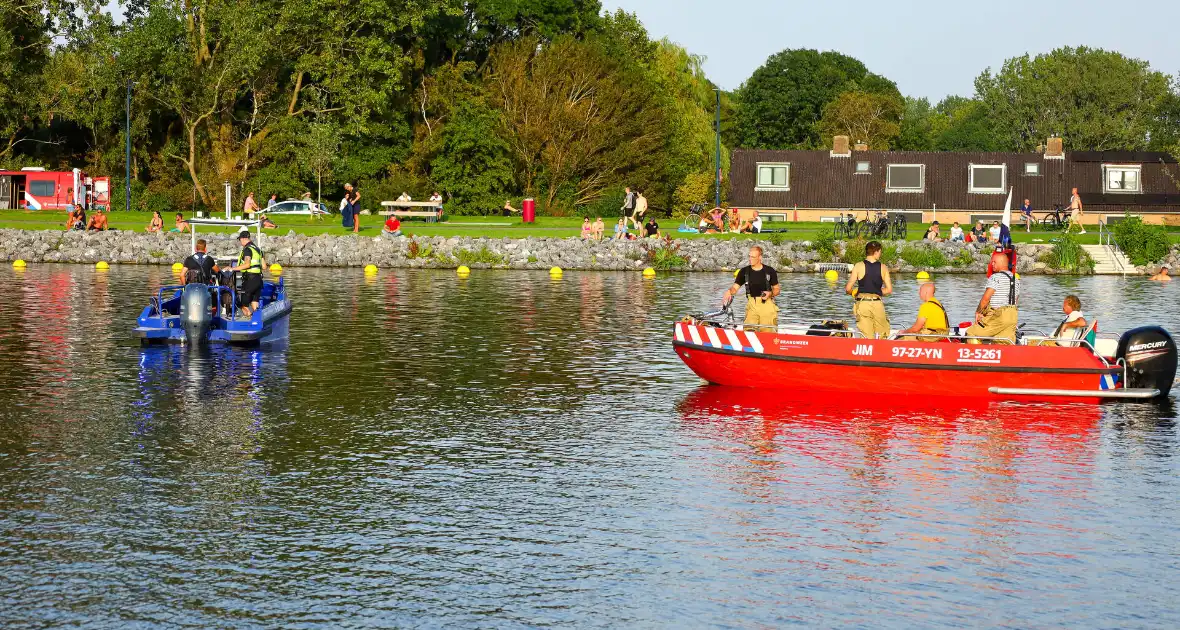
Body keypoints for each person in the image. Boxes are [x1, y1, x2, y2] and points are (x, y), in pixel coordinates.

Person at [965, 253, 1019, 344]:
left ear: (1002, 263)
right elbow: (1016, 300)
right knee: (1003, 342)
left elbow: (986, 298)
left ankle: (978, 356)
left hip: (998, 315)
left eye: (994, 262)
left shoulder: (995, 277)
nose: (992, 264)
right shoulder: (1015, 279)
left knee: (972, 333)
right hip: (1012, 315)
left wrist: (979, 312)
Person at [722, 246, 780, 330]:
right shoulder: (744, 272)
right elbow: (735, 288)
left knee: (769, 334)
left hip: (768, 306)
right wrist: (729, 291)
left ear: (760, 257)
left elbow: (777, 290)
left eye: (753, 257)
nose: (750, 259)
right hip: (751, 306)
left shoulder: (770, 271)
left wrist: (770, 293)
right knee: (749, 332)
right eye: (749, 256)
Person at [845, 240, 892, 339]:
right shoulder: (883, 267)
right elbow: (889, 290)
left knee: (866, 336)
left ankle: (867, 352)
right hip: (877, 303)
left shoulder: (858, 266)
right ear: (876, 252)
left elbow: (848, 288)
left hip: (863, 303)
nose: (880, 254)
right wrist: (876, 291)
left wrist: (855, 292)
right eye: (880, 252)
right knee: (882, 335)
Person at [229, 229, 264, 316]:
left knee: (241, 303)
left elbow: (247, 264)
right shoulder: (258, 250)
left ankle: (248, 318)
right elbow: (264, 266)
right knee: (254, 301)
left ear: (243, 238)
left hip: (250, 279)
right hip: (258, 279)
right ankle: (257, 319)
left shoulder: (247, 249)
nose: (240, 242)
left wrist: (232, 269)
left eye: (240, 239)